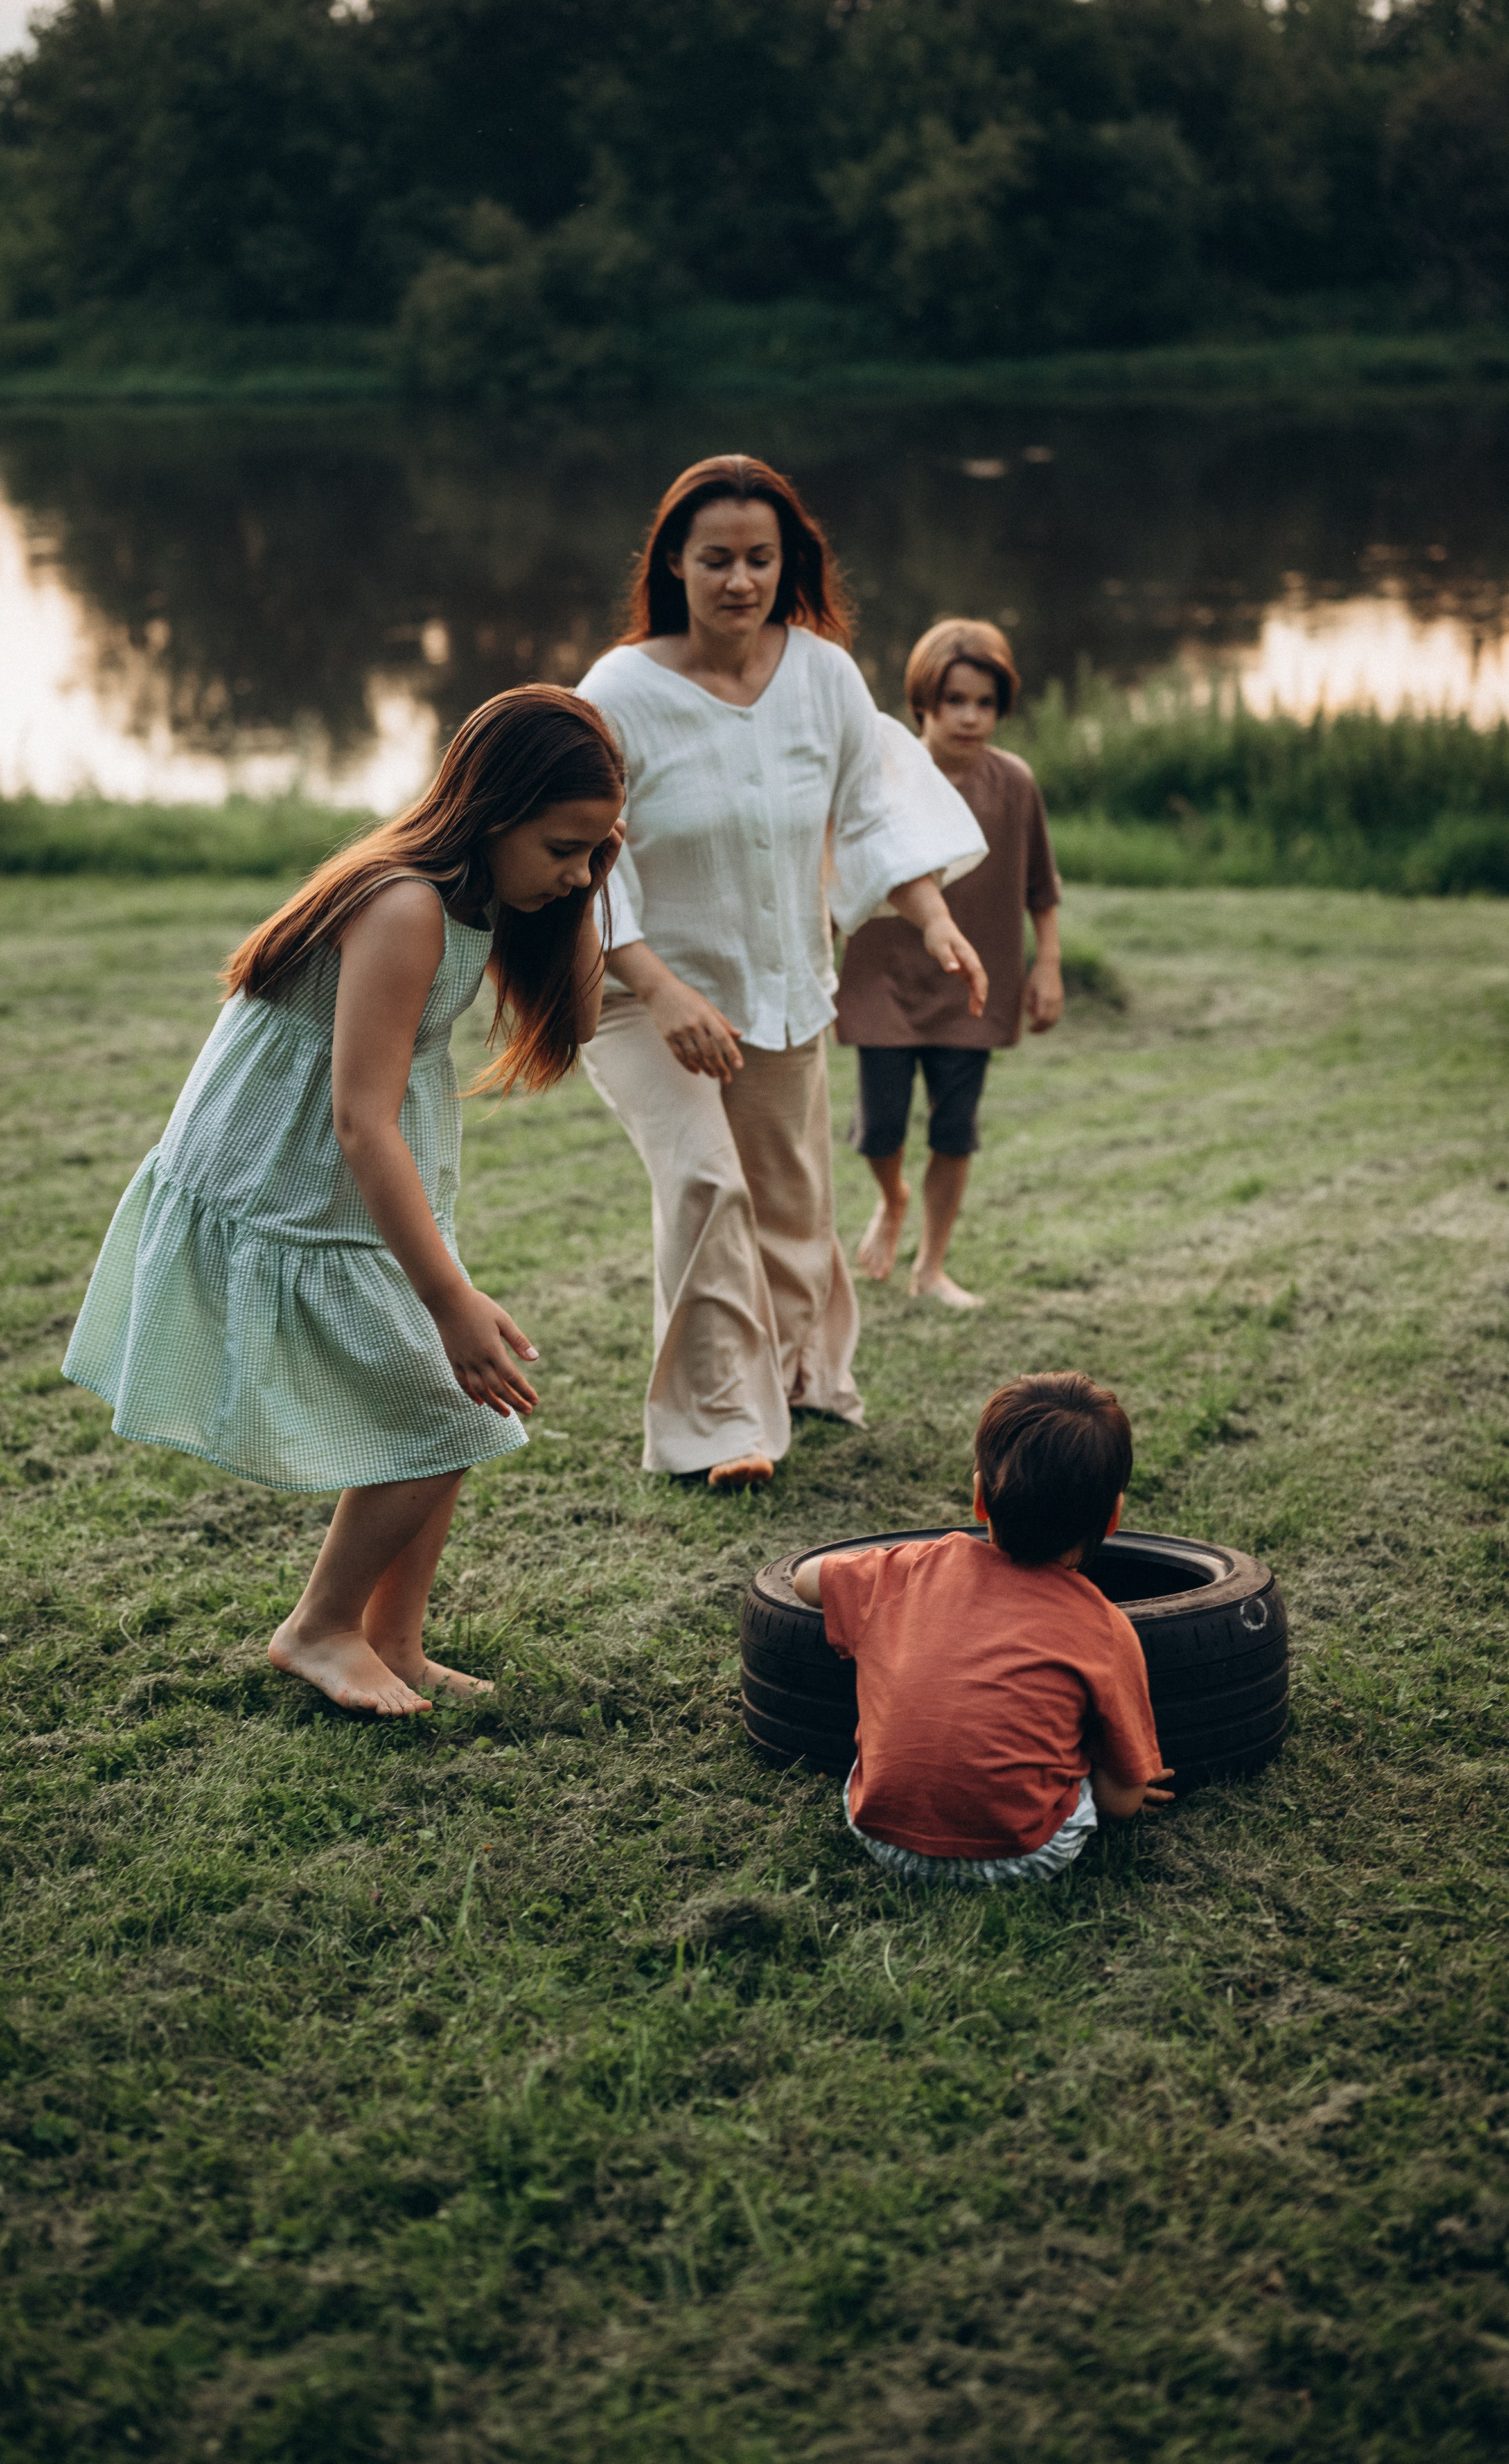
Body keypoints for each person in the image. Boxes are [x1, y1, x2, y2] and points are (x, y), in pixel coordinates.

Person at [62, 686, 626, 1717]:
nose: (577, 870)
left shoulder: (487, 893)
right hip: (297, 1174)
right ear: (495, 811)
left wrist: (592, 884)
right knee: (448, 1393)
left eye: (596, 848)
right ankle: (319, 1626)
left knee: (462, 1400)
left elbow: (582, 1016)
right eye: (563, 846)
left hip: (353, 1172)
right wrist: (449, 1298)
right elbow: (361, 1118)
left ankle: (391, 1638)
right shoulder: (406, 901)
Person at [577, 455, 987, 1491]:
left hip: (783, 987)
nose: (739, 582)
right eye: (715, 559)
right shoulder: (617, 692)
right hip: (638, 997)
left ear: (787, 563)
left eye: (761, 559)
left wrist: (931, 915)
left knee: (793, 1210)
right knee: (707, 1186)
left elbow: (872, 806)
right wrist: (661, 989)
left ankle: (804, 1374)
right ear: (674, 561)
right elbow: (580, 853)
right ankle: (721, 1427)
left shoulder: (823, 674)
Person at [793, 1372, 1174, 1885]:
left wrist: (882, 1565)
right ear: (1113, 1517)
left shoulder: (909, 1570)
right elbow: (1119, 1801)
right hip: (1022, 1855)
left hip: (881, 1835)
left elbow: (803, 1580)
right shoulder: (1105, 1626)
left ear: (979, 1498)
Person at [836, 618, 1063, 1309]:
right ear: (922, 704)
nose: (970, 717)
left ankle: (931, 1266)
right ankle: (891, 1195)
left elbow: (1041, 890)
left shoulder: (1015, 784)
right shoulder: (883, 774)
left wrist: (1046, 964)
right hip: (880, 980)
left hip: (976, 986)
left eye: (985, 703)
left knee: (953, 1130)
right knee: (878, 1129)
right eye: (955, 700)